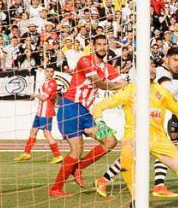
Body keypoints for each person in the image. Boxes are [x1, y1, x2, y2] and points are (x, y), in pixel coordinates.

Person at [91, 64, 178, 208]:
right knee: (127, 157)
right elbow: (99, 107)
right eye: (148, 67)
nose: (152, 69)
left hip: (159, 140)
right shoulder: (129, 91)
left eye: (153, 67)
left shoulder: (161, 92)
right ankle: (135, 201)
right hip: (134, 137)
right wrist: (100, 123)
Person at [49, 35, 124, 197]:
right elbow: (99, 84)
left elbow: (123, 85)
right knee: (76, 150)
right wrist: (118, 85)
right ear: (93, 46)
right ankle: (56, 188)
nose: (103, 48)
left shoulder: (108, 68)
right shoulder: (85, 60)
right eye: (99, 45)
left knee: (110, 140)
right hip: (70, 107)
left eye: (105, 44)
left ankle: (79, 168)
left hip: (85, 112)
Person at [16, 66, 62, 164]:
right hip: (40, 112)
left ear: (53, 73)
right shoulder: (44, 82)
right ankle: (26, 153)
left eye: (51, 71)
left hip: (46, 112)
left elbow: (44, 98)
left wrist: (35, 95)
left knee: (47, 134)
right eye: (47, 71)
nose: (49, 73)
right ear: (45, 72)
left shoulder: (52, 83)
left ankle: (58, 155)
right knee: (33, 131)